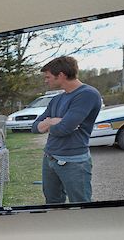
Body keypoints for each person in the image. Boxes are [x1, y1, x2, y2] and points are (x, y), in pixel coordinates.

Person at [32, 55, 101, 205]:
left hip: (74, 162)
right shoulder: (57, 99)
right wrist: (52, 122)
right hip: (49, 158)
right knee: (53, 203)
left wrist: (51, 124)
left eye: (48, 77)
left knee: (81, 204)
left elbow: (63, 129)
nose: (46, 80)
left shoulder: (87, 94)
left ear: (61, 75)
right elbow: (34, 127)